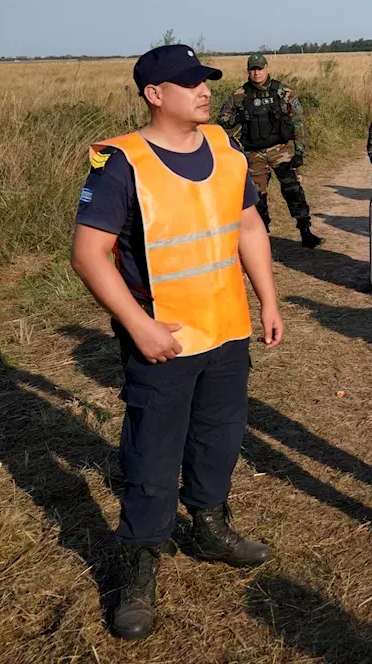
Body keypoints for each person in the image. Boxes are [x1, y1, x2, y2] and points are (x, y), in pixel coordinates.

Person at [70, 45, 284, 640]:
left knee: (221, 436)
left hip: (226, 331)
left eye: (206, 80)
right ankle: (138, 560)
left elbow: (247, 226)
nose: (204, 90)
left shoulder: (224, 146)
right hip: (162, 339)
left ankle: (210, 525)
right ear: (154, 94)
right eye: (188, 83)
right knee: (152, 452)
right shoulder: (122, 162)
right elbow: (88, 254)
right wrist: (138, 325)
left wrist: (266, 299)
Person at [217, 52, 322, 248]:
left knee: (293, 189)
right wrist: (237, 118)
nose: (256, 73)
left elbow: (297, 121)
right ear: (248, 71)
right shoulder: (239, 95)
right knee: (257, 197)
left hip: (280, 150)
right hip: (253, 153)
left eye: (260, 68)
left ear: (267, 69)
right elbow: (221, 119)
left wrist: (299, 151)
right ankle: (261, 236)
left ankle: (305, 230)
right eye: (252, 69)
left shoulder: (282, 91)